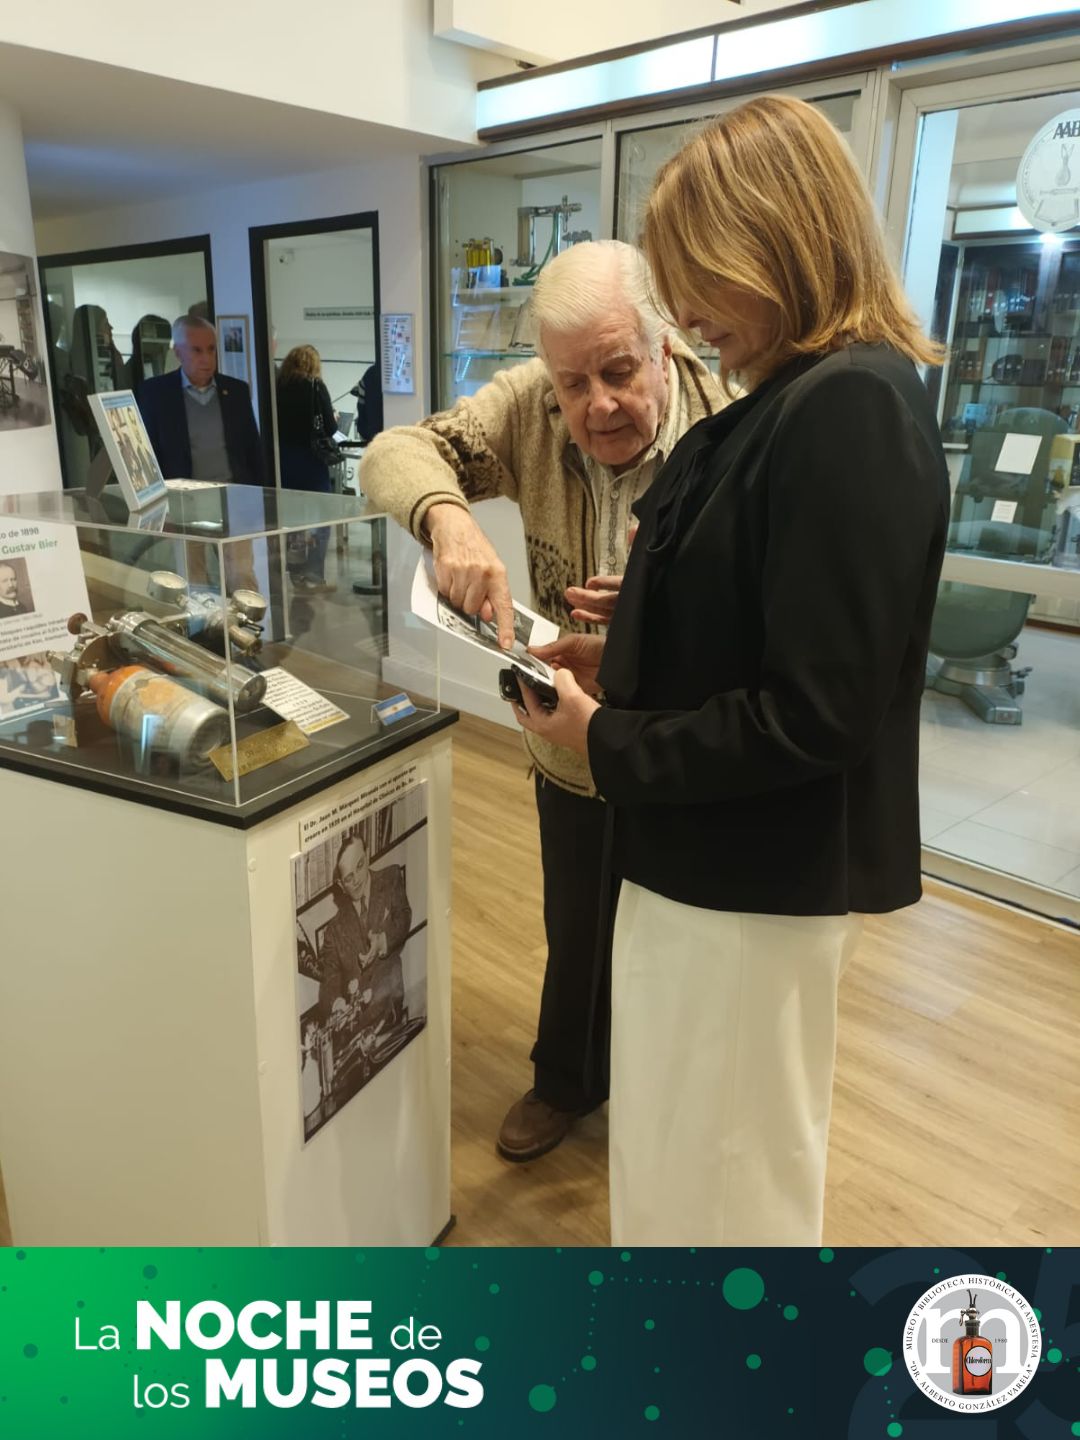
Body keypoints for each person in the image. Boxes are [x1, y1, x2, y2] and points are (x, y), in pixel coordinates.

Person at [512, 95, 950, 1243]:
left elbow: (816, 710)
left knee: (727, 1188)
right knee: (681, 1170)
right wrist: (630, 649)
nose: (690, 312)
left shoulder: (848, 405)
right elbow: (765, 618)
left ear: (774, 238)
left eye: (697, 277)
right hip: (712, 873)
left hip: (753, 885)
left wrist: (600, 734)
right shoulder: (800, 400)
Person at [360, 240, 725, 1162]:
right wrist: (447, 517)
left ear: (664, 347)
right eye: (573, 384)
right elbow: (394, 451)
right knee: (577, 924)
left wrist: (659, 621)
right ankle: (566, 1081)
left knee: (680, 941)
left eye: (619, 372)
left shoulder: (730, 428)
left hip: (682, 750)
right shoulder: (529, 405)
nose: (596, 405)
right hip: (569, 747)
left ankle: (669, 1107)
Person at [136, 316, 265, 486]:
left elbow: (254, 451)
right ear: (178, 353)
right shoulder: (156, 394)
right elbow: (148, 456)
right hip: (183, 495)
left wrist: (259, 494)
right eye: (197, 350)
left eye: (211, 349)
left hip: (234, 492)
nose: (206, 358)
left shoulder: (236, 391)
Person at [318, 834, 412, 1033]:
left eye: (360, 865)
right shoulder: (333, 931)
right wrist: (337, 1005)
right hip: (357, 1028)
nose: (357, 880)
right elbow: (329, 980)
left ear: (367, 855)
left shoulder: (391, 878)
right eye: (349, 878)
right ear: (341, 886)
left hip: (391, 1008)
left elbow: (403, 918)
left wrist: (382, 941)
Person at [276, 344, 338, 593]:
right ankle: (314, 574)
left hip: (284, 461)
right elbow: (331, 428)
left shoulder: (277, 386)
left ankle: (296, 572)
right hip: (312, 462)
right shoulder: (315, 386)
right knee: (323, 518)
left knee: (293, 520)